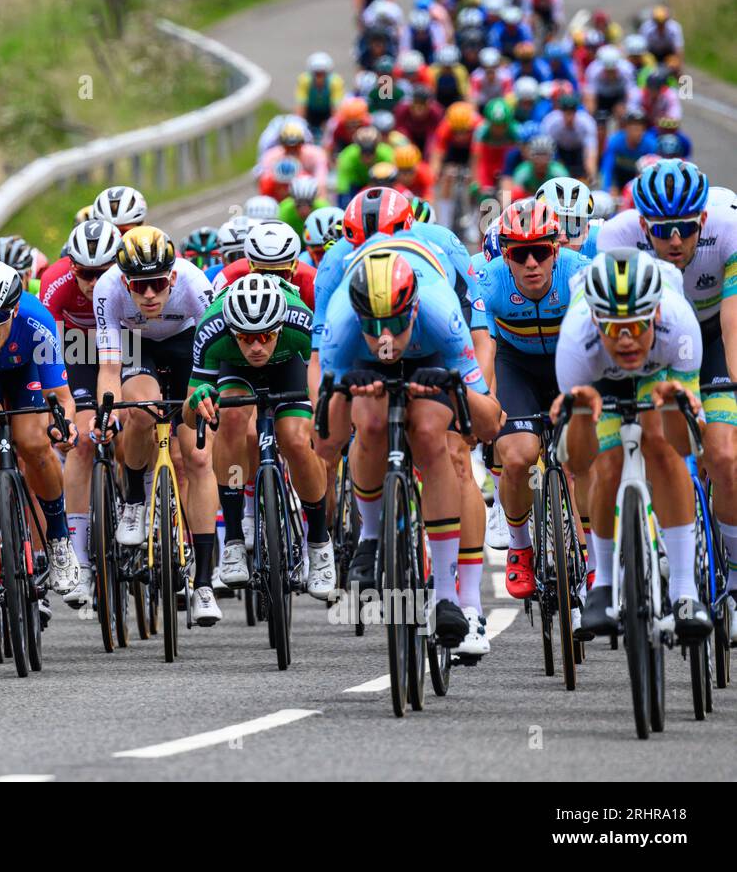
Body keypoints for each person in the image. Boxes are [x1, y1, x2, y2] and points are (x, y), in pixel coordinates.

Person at [315, 248, 502, 646]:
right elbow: (325, 443)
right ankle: (370, 536)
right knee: (369, 421)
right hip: (363, 368)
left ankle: (448, 597)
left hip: (430, 356)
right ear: (357, 315)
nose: (385, 339)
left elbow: (487, 426)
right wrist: (345, 397)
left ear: (413, 311)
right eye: (375, 326)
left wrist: (454, 392)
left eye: (396, 323)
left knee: (433, 438)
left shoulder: (440, 312)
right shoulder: (342, 321)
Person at [554, 249, 710, 640]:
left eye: (637, 325)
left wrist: (675, 406)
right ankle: (603, 584)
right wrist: (583, 417)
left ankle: (684, 592)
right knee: (605, 465)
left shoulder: (680, 326)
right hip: (598, 374)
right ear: (595, 319)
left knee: (662, 444)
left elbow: (688, 446)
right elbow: (579, 460)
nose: (625, 339)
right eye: (613, 327)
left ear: (655, 315)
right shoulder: (576, 340)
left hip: (663, 367)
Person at [92, 227, 218, 615]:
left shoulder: (196, 285)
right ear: (125, 281)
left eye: (158, 284)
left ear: (173, 278)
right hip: (137, 346)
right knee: (140, 407)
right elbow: (110, 367)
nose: (149, 295)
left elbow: (215, 354)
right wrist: (107, 414)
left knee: (197, 459)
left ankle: (204, 585)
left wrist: (207, 398)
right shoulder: (107, 289)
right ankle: (133, 500)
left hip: (189, 347)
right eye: (139, 286)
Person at [186, 275, 333, 605]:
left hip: (289, 365)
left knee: (296, 440)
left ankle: (320, 542)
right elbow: (188, 412)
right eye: (247, 337)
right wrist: (199, 401)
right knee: (233, 420)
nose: (256, 346)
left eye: (265, 336)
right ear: (232, 330)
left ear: (279, 328)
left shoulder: (300, 322)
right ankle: (235, 537)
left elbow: (319, 391)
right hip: (234, 370)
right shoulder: (212, 330)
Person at [475, 203, 588, 601]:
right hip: (515, 366)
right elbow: (483, 350)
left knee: (584, 454)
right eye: (519, 254)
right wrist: (485, 401)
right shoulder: (487, 280)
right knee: (519, 457)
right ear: (505, 254)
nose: (531, 263)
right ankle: (521, 547)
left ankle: (593, 557)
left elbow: (597, 342)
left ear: (556, 250)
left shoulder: (579, 272)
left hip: (568, 361)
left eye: (540, 251)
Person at [0, 261, 78, 604]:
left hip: (25, 372)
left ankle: (58, 538)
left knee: (35, 442)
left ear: (16, 308)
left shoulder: (37, 323)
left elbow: (61, 398)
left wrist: (64, 426)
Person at [39, 219, 123, 605]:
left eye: (101, 273)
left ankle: (131, 498)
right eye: (84, 274)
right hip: (74, 348)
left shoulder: (128, 281)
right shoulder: (56, 282)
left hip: (123, 341)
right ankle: (81, 560)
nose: (92, 283)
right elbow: (49, 351)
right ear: (72, 267)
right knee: (83, 440)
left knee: (129, 426)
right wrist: (57, 404)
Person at [540, 93, 598, 183]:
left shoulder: (587, 123)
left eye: (572, 112)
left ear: (576, 111)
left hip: (578, 153)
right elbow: (548, 150)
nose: (569, 117)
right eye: (566, 112)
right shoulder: (550, 122)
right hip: (559, 152)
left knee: (585, 179)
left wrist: (591, 175)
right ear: (561, 111)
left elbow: (591, 152)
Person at [600, 109, 658, 194]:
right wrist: (608, 188)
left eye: (640, 127)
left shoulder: (651, 145)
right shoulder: (615, 141)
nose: (636, 131)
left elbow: (653, 173)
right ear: (626, 128)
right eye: (633, 127)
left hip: (639, 179)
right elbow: (607, 167)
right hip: (618, 179)